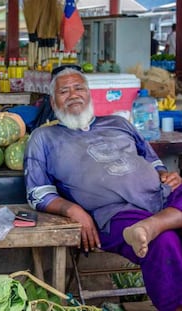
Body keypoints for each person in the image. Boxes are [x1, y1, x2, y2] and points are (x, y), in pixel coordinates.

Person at [24, 65, 182, 311]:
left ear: (89, 95)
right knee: (164, 242)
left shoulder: (119, 123)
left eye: (79, 88)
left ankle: (152, 225)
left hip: (159, 197)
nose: (73, 94)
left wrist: (165, 174)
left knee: (162, 228)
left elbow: (152, 160)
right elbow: (37, 193)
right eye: (64, 91)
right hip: (115, 213)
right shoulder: (44, 138)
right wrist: (72, 209)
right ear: (53, 103)